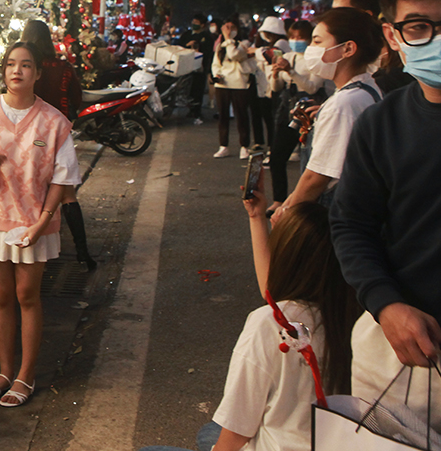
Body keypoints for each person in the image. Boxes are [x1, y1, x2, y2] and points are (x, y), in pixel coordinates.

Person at [139, 187, 359, 451]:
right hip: (325, 440)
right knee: (210, 432)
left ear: (285, 257)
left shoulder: (268, 323)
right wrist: (258, 219)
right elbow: (275, 294)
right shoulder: (352, 315)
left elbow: (234, 438)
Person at [330, 0, 441, 432]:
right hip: (402, 357)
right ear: (394, 36)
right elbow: (351, 224)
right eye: (419, 27)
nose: (436, 40)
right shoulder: (380, 126)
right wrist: (385, 304)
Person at [0, 42, 80, 408]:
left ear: (38, 73)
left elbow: (63, 177)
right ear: (3, 70)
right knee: (2, 297)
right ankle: (5, 371)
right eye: (10, 64)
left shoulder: (54, 122)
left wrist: (42, 222)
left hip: (33, 223)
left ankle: (26, 373)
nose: (16, 71)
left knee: (27, 296)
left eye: (25, 65)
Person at [272, 8, 383, 221]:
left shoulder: (344, 104)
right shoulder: (367, 88)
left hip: (333, 215)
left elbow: (316, 178)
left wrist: (287, 215)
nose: (311, 49)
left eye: (317, 41)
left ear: (347, 49)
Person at [21, 20, 95, 271]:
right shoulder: (63, 67)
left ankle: (28, 244)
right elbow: (77, 97)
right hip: (58, 134)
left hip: (28, 135)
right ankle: (82, 251)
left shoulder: (26, 67)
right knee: (67, 194)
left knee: (30, 188)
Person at [266, 20, 324, 206]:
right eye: (292, 37)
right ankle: (278, 199)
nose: (296, 40)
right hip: (287, 108)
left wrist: (291, 72)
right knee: (277, 156)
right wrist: (275, 74)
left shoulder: (314, 58)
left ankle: (307, 202)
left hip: (308, 108)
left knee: (309, 158)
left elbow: (313, 87)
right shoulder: (287, 56)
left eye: (300, 37)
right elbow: (276, 88)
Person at [212, 16, 254, 159]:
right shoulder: (220, 46)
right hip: (223, 84)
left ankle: (244, 146)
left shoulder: (244, 44)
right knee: (223, 116)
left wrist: (228, 39)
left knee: (241, 115)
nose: (228, 31)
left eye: (232, 28)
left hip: (239, 84)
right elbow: (215, 64)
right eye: (226, 27)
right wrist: (216, 75)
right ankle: (223, 146)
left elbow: (234, 55)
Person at [251, 17, 291, 148]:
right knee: (265, 117)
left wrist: (256, 51)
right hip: (264, 84)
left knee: (274, 119)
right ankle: (267, 145)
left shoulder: (282, 43)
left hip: (277, 83)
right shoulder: (269, 44)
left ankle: (273, 147)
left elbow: (270, 55)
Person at [182, 13, 210, 124]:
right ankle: (190, 109)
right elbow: (179, 46)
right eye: (193, 23)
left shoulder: (206, 37)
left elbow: (208, 52)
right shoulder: (187, 34)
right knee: (187, 88)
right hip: (186, 66)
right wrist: (187, 45)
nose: (194, 25)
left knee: (198, 89)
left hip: (200, 67)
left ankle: (197, 111)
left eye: (196, 23)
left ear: (202, 25)